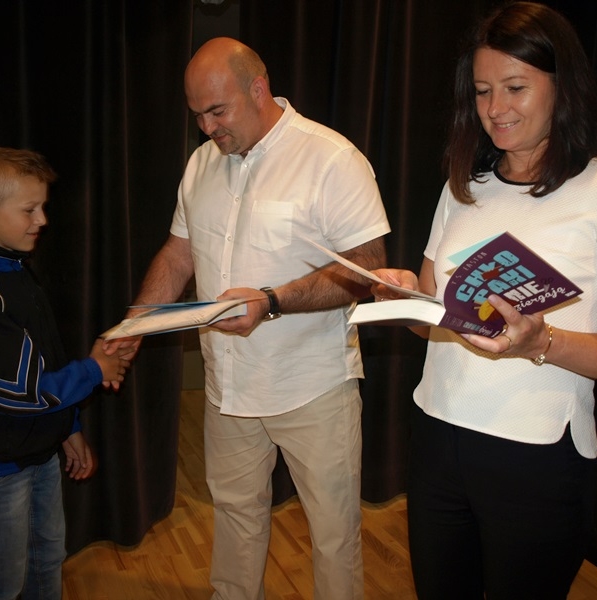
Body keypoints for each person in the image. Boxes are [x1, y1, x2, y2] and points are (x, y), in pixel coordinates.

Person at [110, 37, 390, 600]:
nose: (207, 128)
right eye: (197, 116)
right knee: (235, 518)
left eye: (218, 111)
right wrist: (135, 323)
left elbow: (367, 269)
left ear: (258, 89)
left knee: (333, 536)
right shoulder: (202, 163)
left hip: (312, 386)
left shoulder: (331, 158)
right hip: (227, 386)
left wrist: (272, 300)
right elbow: (178, 254)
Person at [370, 2, 597, 598]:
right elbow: (432, 321)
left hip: (537, 453)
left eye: (515, 87)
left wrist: (542, 341)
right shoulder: (464, 187)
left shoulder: (595, 191)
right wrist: (405, 297)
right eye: (481, 91)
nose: (495, 109)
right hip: (438, 434)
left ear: (563, 86)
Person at [0, 148, 130, 600]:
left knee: (47, 559)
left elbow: (46, 361)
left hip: (40, 456)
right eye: (29, 210)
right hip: (6, 471)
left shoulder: (18, 271)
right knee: (7, 580)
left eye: (43, 207)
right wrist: (95, 369)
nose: (42, 220)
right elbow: (21, 392)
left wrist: (68, 426)